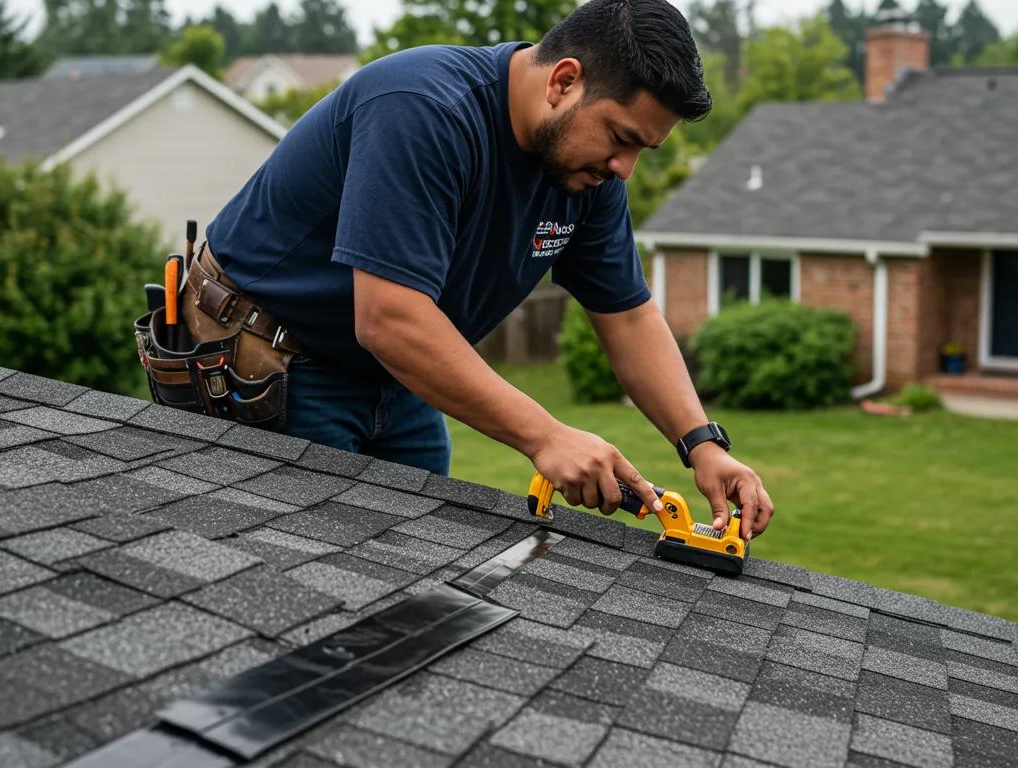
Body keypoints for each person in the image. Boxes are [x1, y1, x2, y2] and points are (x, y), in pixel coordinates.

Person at [198, 0, 774, 539]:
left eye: (642, 150)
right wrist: (547, 436)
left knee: (417, 558)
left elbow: (626, 314)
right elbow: (389, 319)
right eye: (622, 139)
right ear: (564, 81)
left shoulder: (587, 173)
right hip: (275, 360)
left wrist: (702, 445)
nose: (626, 168)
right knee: (313, 573)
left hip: (400, 377)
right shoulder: (423, 109)